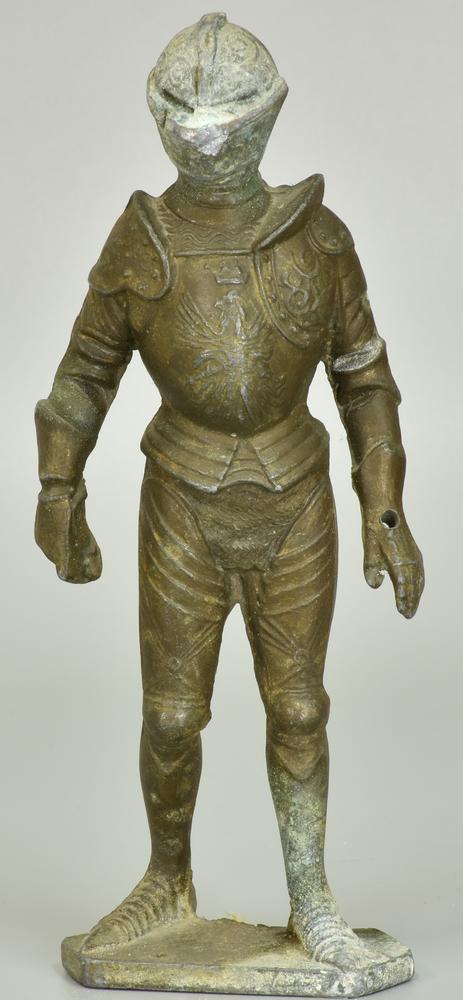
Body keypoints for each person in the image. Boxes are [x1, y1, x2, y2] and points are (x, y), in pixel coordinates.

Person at [35, 12, 424, 972]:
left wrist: (383, 505)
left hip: (293, 500)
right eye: (189, 122)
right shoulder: (143, 243)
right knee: (171, 716)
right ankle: (166, 880)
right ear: (161, 122)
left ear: (266, 118)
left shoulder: (317, 238)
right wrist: (58, 484)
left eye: (227, 123)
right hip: (182, 500)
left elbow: (363, 376)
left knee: (298, 710)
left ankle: (311, 897)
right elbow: (84, 373)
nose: (207, 142)